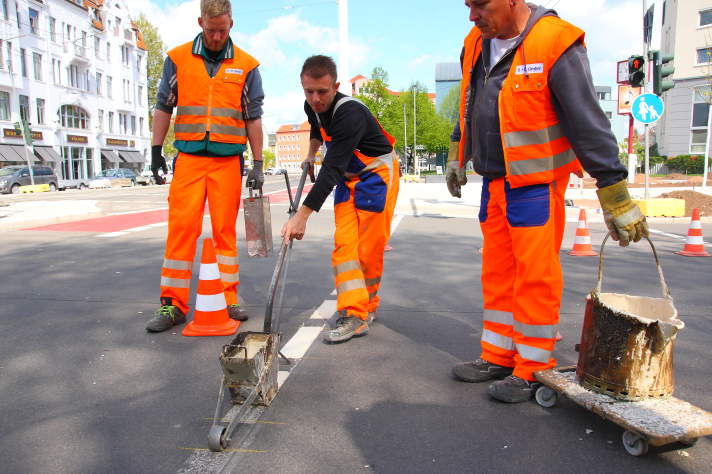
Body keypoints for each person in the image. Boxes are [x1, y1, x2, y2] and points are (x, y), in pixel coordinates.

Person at [447, 0, 649, 402]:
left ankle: (534, 366)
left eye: (480, 5)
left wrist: (613, 190)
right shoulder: (475, 41)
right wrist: (457, 152)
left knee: (534, 277)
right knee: (498, 274)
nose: (472, 16)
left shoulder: (556, 42)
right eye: (468, 6)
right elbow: (467, 104)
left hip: (536, 185)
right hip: (494, 182)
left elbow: (587, 120)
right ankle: (498, 356)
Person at [145, 0, 265, 332]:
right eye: (211, 30)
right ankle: (172, 305)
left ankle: (228, 298)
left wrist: (257, 162)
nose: (216, 36)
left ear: (231, 24)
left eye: (222, 29)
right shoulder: (177, 59)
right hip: (190, 160)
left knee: (225, 232)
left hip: (227, 161)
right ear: (200, 22)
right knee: (182, 230)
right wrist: (156, 151)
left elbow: (253, 118)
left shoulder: (247, 65)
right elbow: (163, 106)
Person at [281, 55, 400, 343]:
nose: (315, 99)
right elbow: (315, 128)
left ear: (335, 86)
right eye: (309, 91)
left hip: (376, 175)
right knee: (344, 246)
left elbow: (332, 168)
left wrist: (302, 216)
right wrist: (310, 153)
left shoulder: (350, 113)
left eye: (322, 91)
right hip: (349, 178)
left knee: (368, 250)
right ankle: (354, 313)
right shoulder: (312, 106)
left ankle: (367, 306)